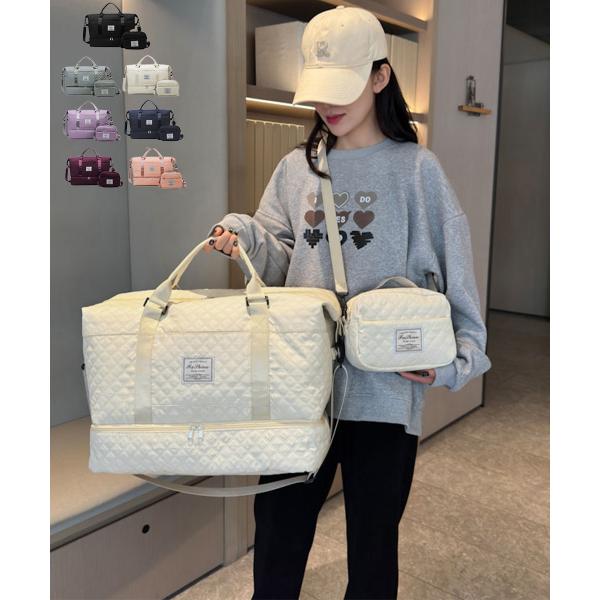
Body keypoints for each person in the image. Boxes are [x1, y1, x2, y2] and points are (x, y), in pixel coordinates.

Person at [204, 6, 492, 599]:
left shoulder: (417, 171)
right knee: (278, 536)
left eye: (343, 88)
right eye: (319, 91)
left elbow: (455, 270)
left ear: (381, 77)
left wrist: (458, 359)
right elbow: (281, 263)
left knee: (373, 546)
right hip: (301, 387)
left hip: (385, 390)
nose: (327, 106)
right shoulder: (295, 169)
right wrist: (245, 238)